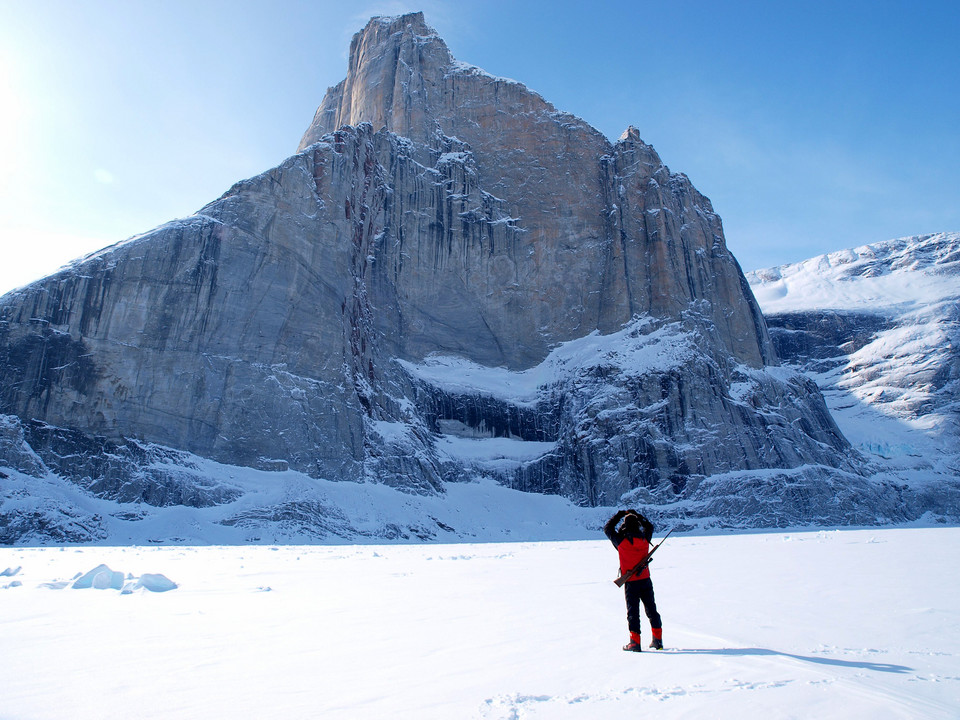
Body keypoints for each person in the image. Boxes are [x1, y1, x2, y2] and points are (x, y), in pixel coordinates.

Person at [604, 508, 663, 651]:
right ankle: (658, 641)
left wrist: (619, 514)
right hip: (645, 580)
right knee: (651, 609)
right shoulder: (644, 539)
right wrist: (637, 515)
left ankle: (635, 643)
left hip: (631, 582)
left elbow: (608, 528)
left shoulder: (621, 541)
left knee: (633, 612)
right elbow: (649, 526)